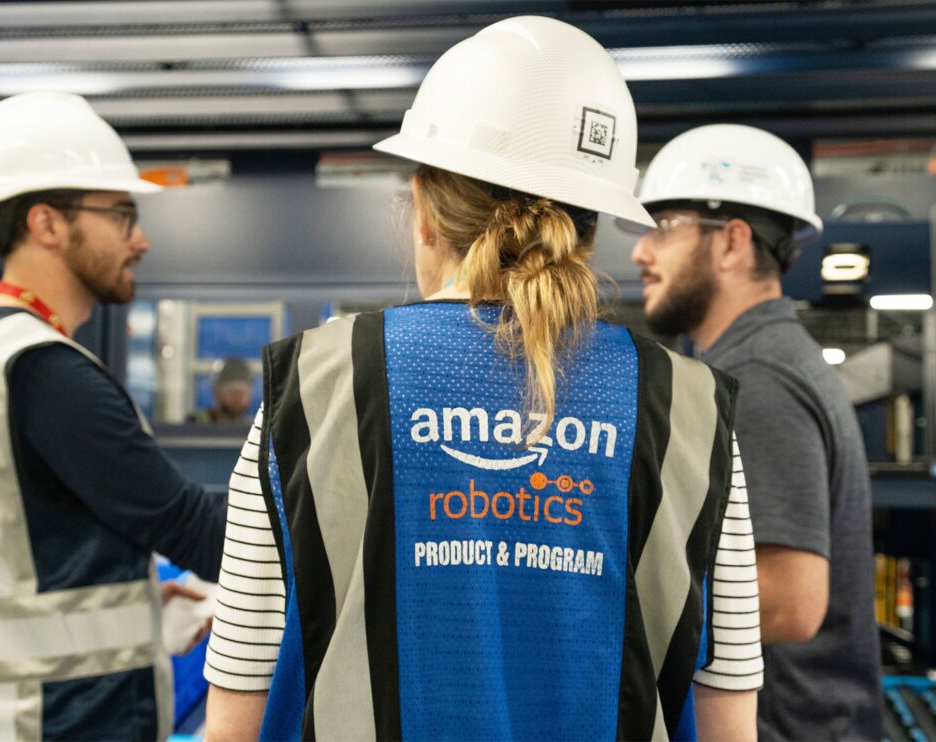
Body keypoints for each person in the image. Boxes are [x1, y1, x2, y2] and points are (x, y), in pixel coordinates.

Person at [204, 17, 762, 741]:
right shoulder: (693, 412)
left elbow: (233, 721)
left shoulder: (309, 389)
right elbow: (730, 725)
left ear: (425, 207)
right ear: (591, 226)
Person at [0, 92, 226, 740]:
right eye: (121, 214)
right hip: (52, 721)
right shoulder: (45, 372)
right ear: (46, 223)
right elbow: (193, 530)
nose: (140, 239)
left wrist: (142, 606)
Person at [626, 123, 882, 740]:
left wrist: (615, 609)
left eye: (664, 227)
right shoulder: (757, 361)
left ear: (732, 243)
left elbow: (791, 602)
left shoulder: (758, 379)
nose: (640, 252)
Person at [191, 358, 254, 424]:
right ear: (216, 393)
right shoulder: (195, 425)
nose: (238, 397)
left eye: (244, 391)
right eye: (232, 391)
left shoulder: (252, 429)